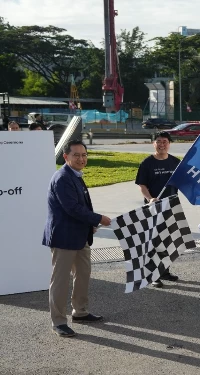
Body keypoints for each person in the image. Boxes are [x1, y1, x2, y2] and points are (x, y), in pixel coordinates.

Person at [42, 140, 112, 337]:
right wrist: (99, 219)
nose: (81, 159)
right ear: (66, 157)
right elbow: (72, 208)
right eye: (76, 155)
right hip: (64, 238)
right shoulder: (62, 178)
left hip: (80, 236)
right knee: (60, 281)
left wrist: (90, 223)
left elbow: (81, 207)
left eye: (84, 155)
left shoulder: (75, 175)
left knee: (83, 275)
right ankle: (58, 321)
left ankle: (80, 312)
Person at [135, 131, 181, 288]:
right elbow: (142, 185)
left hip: (171, 207)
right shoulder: (147, 163)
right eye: (159, 141)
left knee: (168, 241)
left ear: (169, 144)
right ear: (154, 144)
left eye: (165, 141)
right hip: (153, 208)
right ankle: (153, 275)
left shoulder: (176, 162)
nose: (162, 144)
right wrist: (150, 199)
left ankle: (165, 270)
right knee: (154, 241)